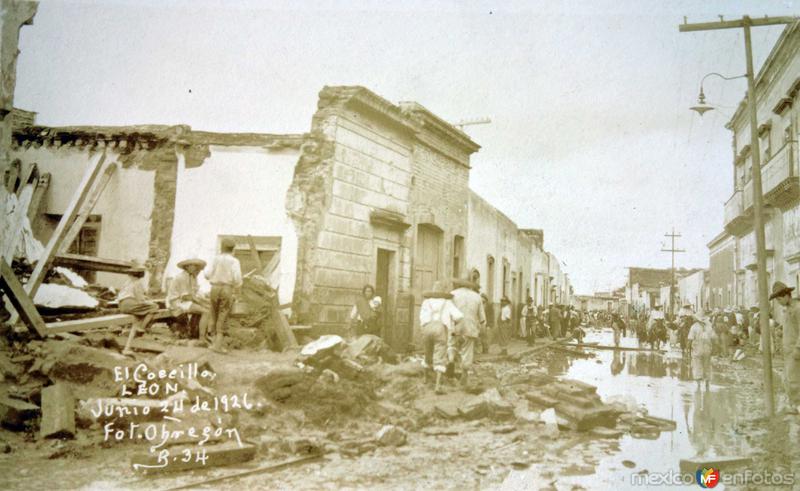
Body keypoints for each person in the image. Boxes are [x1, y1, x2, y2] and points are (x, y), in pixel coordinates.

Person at [420, 281, 463, 394]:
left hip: (427, 327)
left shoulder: (426, 302)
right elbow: (459, 316)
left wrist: (425, 327)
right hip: (440, 328)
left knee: (427, 352)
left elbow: (421, 317)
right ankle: (437, 386)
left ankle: (425, 378)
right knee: (439, 354)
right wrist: (454, 323)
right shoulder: (447, 302)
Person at [204, 238, 242, 354]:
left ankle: (213, 343)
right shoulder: (234, 261)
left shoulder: (215, 259)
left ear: (222, 247)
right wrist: (237, 286)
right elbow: (237, 279)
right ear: (233, 249)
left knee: (214, 314)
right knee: (223, 315)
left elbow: (207, 274)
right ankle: (218, 346)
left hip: (214, 288)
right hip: (226, 289)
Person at [450, 277, 487, 387]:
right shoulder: (477, 297)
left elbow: (448, 312)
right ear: (471, 285)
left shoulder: (452, 294)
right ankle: (464, 374)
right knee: (467, 352)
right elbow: (482, 319)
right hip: (470, 328)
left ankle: (451, 362)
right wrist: (481, 331)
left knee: (451, 346)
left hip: (455, 327)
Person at [770, 282, 800, 414]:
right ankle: (795, 406)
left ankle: (798, 407)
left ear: (787, 295)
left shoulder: (797, 309)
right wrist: (781, 330)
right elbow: (791, 328)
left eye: (779, 299)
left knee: (794, 380)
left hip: (795, 351)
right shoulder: (788, 310)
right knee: (788, 379)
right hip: (788, 351)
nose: (779, 302)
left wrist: (798, 349)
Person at [118, 267, 159, 356]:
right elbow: (140, 299)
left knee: (136, 319)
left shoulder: (127, 282)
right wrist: (148, 301)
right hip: (129, 304)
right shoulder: (137, 283)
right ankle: (141, 328)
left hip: (122, 305)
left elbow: (131, 295)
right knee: (154, 307)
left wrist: (144, 299)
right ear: (140, 275)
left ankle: (127, 347)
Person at [166, 258, 210, 341]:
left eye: (197, 266)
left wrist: (204, 301)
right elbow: (186, 296)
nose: (196, 268)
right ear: (187, 267)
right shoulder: (182, 277)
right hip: (177, 302)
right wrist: (202, 302)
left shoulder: (191, 277)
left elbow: (194, 294)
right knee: (206, 311)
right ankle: (202, 337)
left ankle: (198, 332)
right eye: (194, 266)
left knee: (207, 308)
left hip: (185, 301)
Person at [688, 313, 716, 389]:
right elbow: (713, 338)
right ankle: (707, 383)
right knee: (707, 365)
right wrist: (713, 350)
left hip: (697, 349)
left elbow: (690, 340)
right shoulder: (709, 327)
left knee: (697, 365)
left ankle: (698, 384)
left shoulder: (694, 327)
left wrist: (688, 351)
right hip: (707, 349)